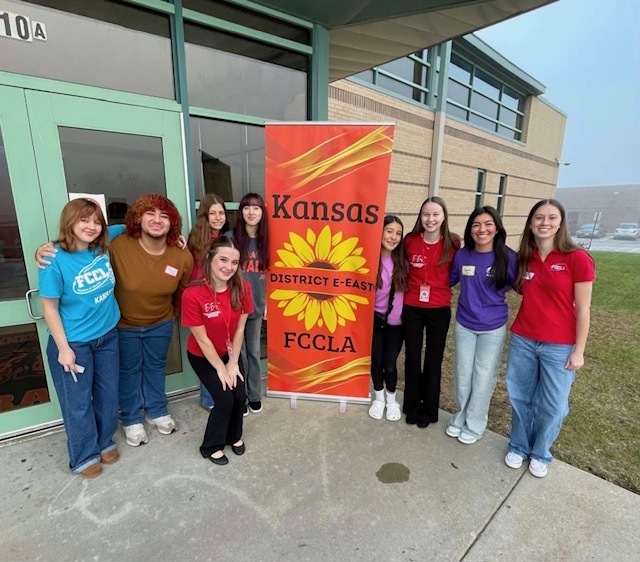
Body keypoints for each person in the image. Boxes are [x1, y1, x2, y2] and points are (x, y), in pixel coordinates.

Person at [37, 194, 193, 448]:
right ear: (138, 218)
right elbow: (86, 234)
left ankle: (157, 410)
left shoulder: (181, 255)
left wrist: (173, 316)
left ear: (172, 223)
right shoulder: (116, 246)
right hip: (124, 326)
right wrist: (48, 247)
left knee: (155, 367)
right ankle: (131, 418)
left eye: (164, 216)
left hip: (161, 323)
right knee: (129, 372)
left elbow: (182, 291)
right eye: (149, 214)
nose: (156, 220)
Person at [504, 199, 595, 478]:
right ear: (531, 223)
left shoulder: (577, 258)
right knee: (520, 396)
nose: (545, 223)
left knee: (554, 404)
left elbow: (584, 308)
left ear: (561, 222)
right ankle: (519, 446)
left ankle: (541, 452)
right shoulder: (524, 258)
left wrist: (579, 350)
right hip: (524, 339)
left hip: (559, 345)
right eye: (539, 218)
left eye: (551, 218)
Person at [38, 199, 120, 478]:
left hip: (107, 336)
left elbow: (130, 227)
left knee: (109, 396)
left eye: (97, 221)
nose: (92, 226)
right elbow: (49, 307)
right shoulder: (52, 259)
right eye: (84, 220)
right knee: (78, 403)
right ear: (70, 221)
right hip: (74, 342)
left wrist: (174, 236)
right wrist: (63, 348)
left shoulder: (101, 248)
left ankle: (104, 440)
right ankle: (84, 455)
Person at [447, 206, 517, 444]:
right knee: (463, 373)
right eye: (476, 225)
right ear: (470, 229)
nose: (482, 229)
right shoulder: (463, 255)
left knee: (483, 376)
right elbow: (447, 279)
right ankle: (461, 416)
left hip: (493, 326)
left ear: (496, 228)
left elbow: (523, 285)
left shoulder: (508, 257)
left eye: (488, 224)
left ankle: (475, 424)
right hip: (465, 324)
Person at [181, 236, 253, 465]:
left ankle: (234, 436)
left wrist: (232, 363)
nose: (229, 267)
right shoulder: (192, 294)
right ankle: (211, 445)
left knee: (240, 396)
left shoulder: (243, 288)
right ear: (210, 259)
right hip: (203, 355)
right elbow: (201, 339)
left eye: (234, 262)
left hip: (230, 352)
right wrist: (221, 368)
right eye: (223, 259)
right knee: (224, 399)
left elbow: (240, 328)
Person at [402, 196, 459, 427]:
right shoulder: (410, 241)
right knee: (413, 358)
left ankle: (428, 411)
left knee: (433, 360)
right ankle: (412, 407)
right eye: (426, 214)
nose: (430, 219)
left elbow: (455, 274)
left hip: (439, 307)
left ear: (444, 216)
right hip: (412, 306)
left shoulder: (453, 243)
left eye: (436, 214)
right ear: (420, 216)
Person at [227, 193, 269, 415]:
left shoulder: (267, 239)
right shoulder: (230, 237)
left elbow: (273, 273)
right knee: (237, 354)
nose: (251, 212)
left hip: (256, 306)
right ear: (241, 211)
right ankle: (240, 397)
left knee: (253, 352)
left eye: (256, 208)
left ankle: (254, 395)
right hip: (234, 306)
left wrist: (268, 303)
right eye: (247, 208)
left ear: (262, 213)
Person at [187, 193, 229, 410]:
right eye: (212, 213)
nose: (218, 217)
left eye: (221, 212)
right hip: (202, 300)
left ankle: (216, 393)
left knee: (218, 347)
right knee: (206, 348)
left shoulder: (224, 239)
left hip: (220, 298)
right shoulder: (195, 240)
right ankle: (209, 398)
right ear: (204, 215)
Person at [368, 215, 407, 422]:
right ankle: (378, 397)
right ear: (380, 232)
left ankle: (392, 399)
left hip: (396, 324)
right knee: (376, 361)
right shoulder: (370, 260)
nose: (393, 237)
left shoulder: (403, 262)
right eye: (389, 231)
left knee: (390, 364)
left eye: (398, 233)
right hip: (374, 321)